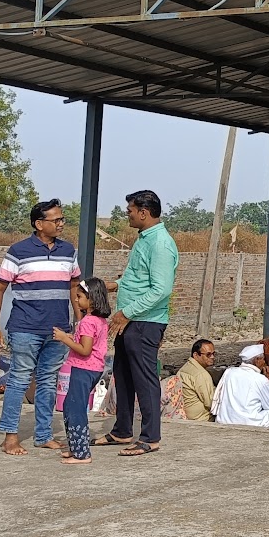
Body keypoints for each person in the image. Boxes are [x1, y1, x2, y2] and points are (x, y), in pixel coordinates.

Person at [0, 197, 80, 457]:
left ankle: (43, 435)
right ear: (39, 224)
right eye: (56, 219)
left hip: (58, 331)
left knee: (49, 382)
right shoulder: (18, 251)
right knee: (18, 380)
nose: (61, 223)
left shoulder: (68, 251)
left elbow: (74, 288)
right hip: (25, 328)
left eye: (62, 219)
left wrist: (80, 320)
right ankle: (10, 437)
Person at [96, 190, 178, 458]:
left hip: (145, 321)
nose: (127, 214)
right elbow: (138, 280)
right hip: (131, 320)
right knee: (124, 375)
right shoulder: (144, 240)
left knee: (144, 380)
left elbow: (160, 290)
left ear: (144, 212)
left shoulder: (160, 244)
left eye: (130, 210)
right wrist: (114, 286)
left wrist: (127, 312)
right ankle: (122, 430)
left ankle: (150, 437)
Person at [51, 277, 110, 465]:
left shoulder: (87, 322)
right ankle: (76, 446)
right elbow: (89, 344)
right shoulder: (99, 321)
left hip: (84, 369)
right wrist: (72, 337)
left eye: (79, 297)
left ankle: (82, 454)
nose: (76, 300)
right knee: (70, 405)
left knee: (75, 409)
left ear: (91, 299)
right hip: (94, 369)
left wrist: (63, 338)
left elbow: (85, 350)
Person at [213, 344, 269, 429]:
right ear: (257, 360)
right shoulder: (260, 379)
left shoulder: (229, 372)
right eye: (263, 359)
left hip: (226, 420)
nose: (264, 362)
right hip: (250, 423)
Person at [175, 339, 218, 421]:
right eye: (208, 354)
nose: (212, 357)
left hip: (184, 413)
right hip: (201, 419)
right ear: (196, 355)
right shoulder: (201, 374)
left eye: (213, 354)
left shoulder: (184, 368)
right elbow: (211, 403)